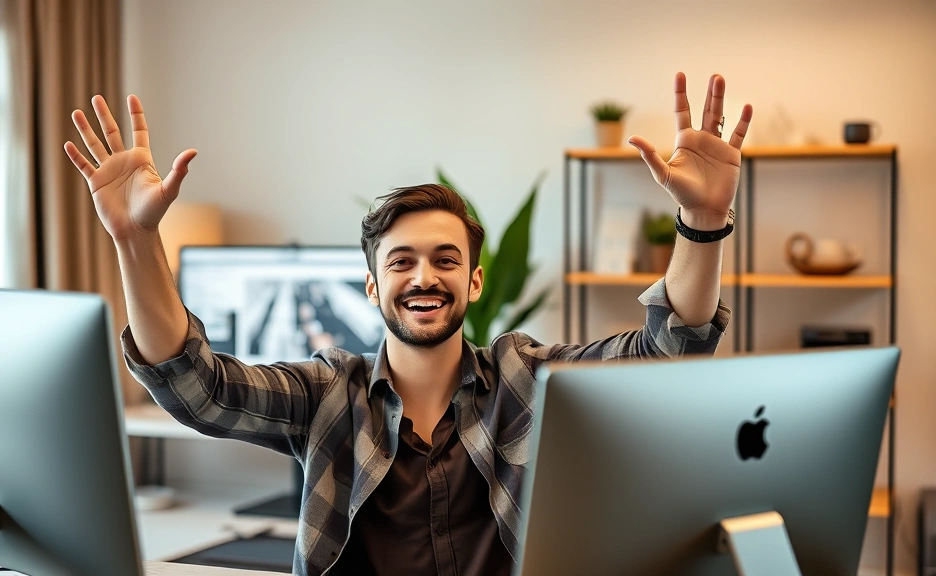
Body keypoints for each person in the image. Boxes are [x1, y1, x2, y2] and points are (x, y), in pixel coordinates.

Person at [63, 72, 752, 576]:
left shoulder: (531, 379)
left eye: (445, 260)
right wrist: (134, 239)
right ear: (372, 285)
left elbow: (669, 350)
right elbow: (194, 386)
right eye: (402, 262)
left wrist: (702, 223)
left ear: (474, 281)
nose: (424, 276)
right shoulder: (327, 394)